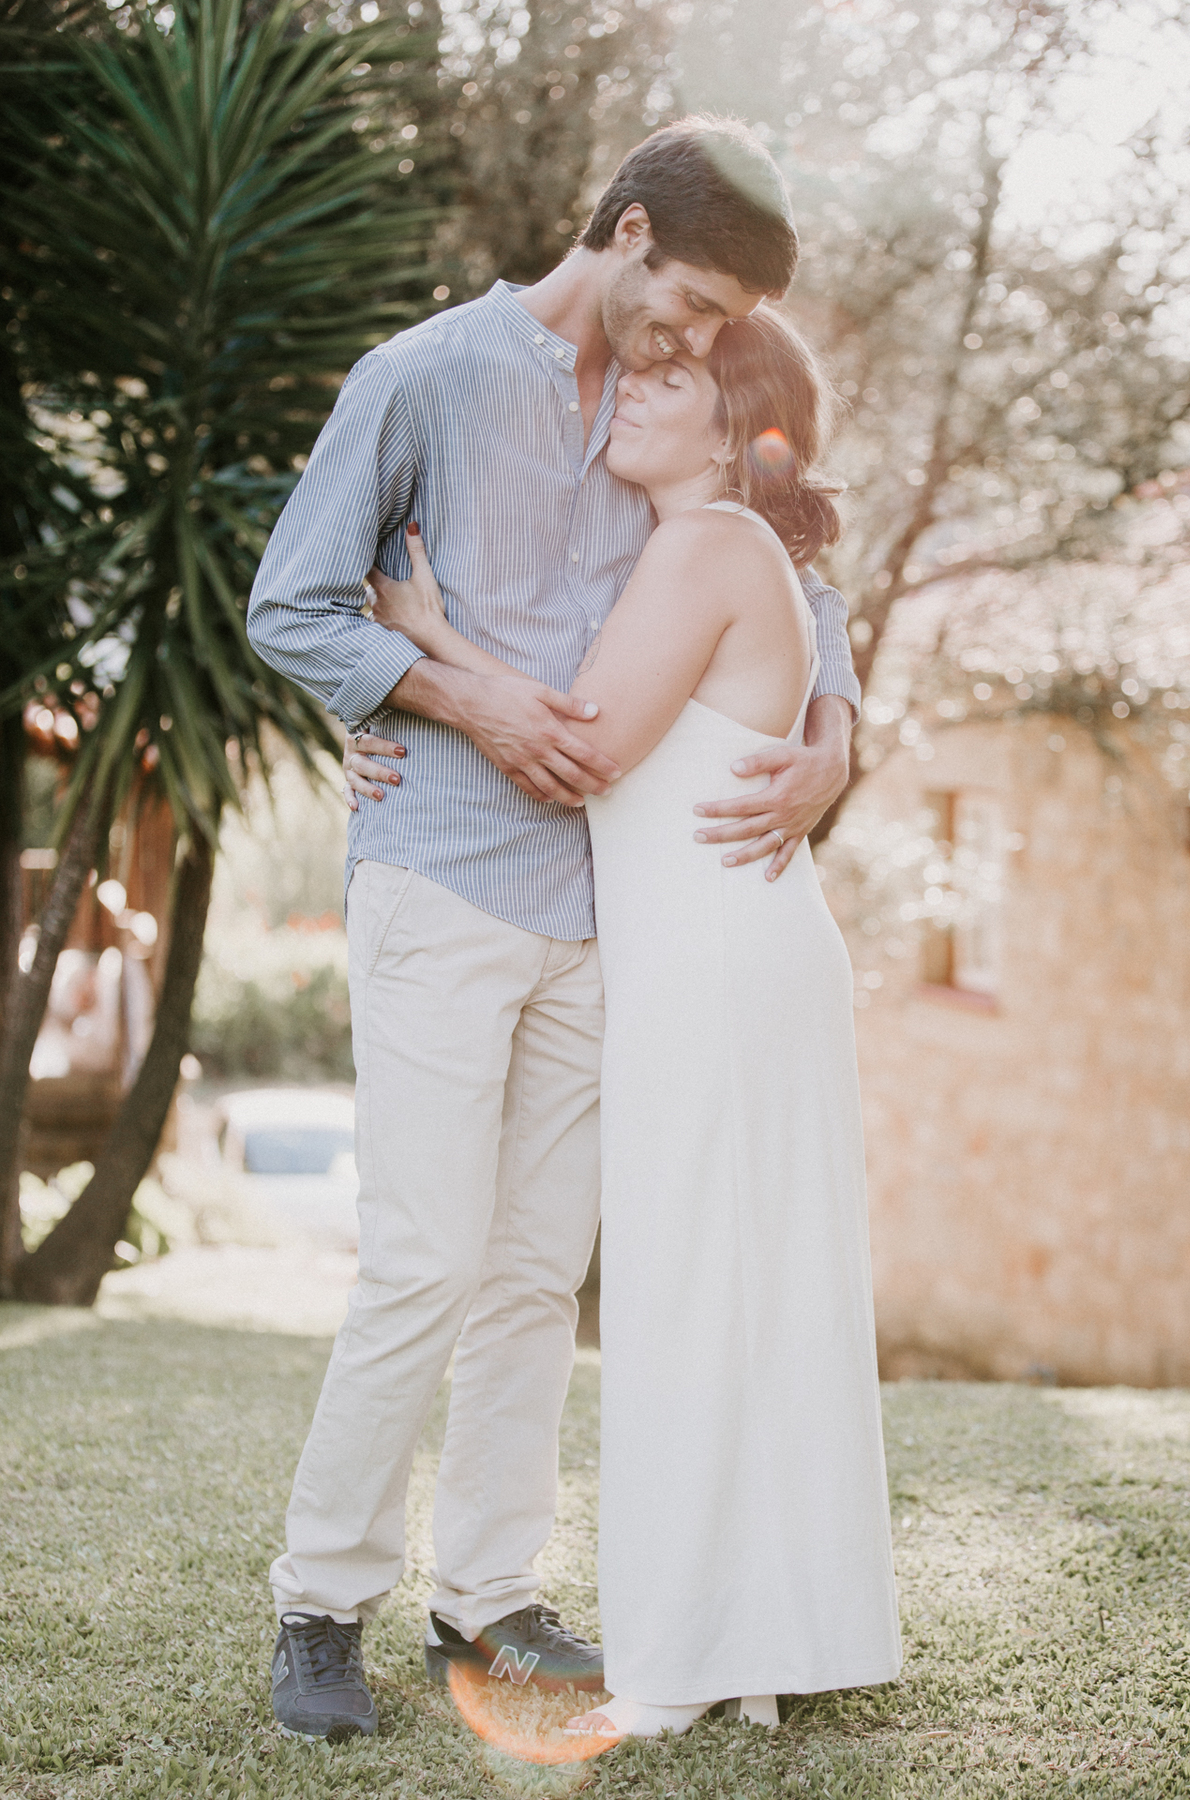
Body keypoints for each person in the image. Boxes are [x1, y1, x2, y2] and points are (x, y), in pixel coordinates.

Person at [246, 116, 863, 1742]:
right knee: (426, 1260)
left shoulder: (671, 406)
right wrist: (458, 697)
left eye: (723, 326)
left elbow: (790, 550)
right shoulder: (424, 380)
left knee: (534, 1273)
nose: (695, 342)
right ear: (629, 229)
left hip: (607, 914)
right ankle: (321, 1601)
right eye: (694, 303)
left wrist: (833, 725)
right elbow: (291, 602)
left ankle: (490, 1596)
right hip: (445, 873)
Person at [360, 307, 901, 1740]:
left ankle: (699, 1650)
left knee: (697, 1288)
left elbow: (583, 753)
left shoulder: (707, 543)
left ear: (732, 430)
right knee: (729, 1286)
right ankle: (759, 1635)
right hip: (713, 955)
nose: (633, 393)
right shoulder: (717, 547)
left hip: (720, 962)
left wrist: (426, 646)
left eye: (671, 379)